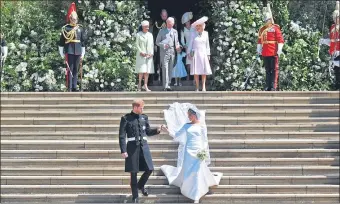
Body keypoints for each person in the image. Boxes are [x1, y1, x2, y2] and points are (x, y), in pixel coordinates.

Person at [161, 103, 223, 203]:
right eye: (188, 115)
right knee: (189, 172)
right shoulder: (186, 126)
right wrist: (167, 130)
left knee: (197, 172)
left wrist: (203, 151)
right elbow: (176, 135)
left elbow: (204, 140)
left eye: (190, 115)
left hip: (198, 151)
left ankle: (196, 195)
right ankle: (189, 190)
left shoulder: (202, 126)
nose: (189, 117)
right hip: (188, 151)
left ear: (195, 115)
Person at [119, 99, 166, 203]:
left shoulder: (144, 117)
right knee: (134, 172)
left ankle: (140, 185)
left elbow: (148, 132)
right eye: (141, 107)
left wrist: (158, 130)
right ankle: (135, 196)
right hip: (132, 148)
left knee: (149, 169)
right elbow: (122, 136)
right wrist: (123, 150)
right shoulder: (125, 118)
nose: (142, 109)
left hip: (144, 147)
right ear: (135, 107)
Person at [58, 2, 86, 92]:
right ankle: (69, 87)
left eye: (76, 19)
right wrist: (61, 53)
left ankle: (74, 86)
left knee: (76, 70)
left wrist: (83, 53)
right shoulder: (66, 29)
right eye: (73, 19)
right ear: (70, 19)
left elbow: (82, 42)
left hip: (78, 51)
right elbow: (62, 42)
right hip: (69, 51)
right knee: (70, 69)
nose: (75, 21)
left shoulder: (80, 29)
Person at [257, 3, 284, 91]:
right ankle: (268, 85)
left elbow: (280, 40)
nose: (266, 21)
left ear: (270, 20)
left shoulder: (276, 28)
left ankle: (273, 86)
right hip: (265, 52)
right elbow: (260, 41)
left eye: (267, 20)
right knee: (268, 70)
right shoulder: (262, 29)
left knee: (274, 70)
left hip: (273, 51)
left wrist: (279, 49)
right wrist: (259, 49)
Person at [319, 1, 340, 90]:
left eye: (336, 18)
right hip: (334, 51)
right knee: (336, 71)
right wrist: (324, 41)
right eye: (334, 17)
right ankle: (337, 85)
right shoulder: (332, 27)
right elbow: (331, 42)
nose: (335, 19)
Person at [188, 16, 212, 92]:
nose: (198, 27)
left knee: (203, 71)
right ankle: (197, 87)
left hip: (203, 54)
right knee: (196, 71)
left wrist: (208, 55)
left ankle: (204, 86)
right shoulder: (193, 34)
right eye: (197, 26)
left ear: (202, 26)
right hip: (195, 54)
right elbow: (190, 44)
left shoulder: (206, 33)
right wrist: (189, 53)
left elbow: (207, 45)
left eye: (199, 26)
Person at [156, 17, 180, 91]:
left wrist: (178, 46)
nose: (170, 24)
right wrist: (163, 45)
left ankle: (169, 84)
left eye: (171, 23)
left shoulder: (175, 31)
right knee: (165, 68)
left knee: (170, 68)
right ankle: (165, 85)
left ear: (173, 23)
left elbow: (176, 41)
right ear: (166, 23)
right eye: (168, 22)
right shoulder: (162, 31)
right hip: (164, 51)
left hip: (172, 51)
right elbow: (157, 42)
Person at [135, 20, 154, 92]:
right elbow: (137, 44)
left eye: (148, 27)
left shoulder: (150, 35)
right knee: (141, 70)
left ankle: (145, 85)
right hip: (141, 55)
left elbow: (152, 45)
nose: (147, 28)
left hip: (149, 55)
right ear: (142, 27)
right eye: (146, 27)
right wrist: (141, 52)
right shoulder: (139, 34)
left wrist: (151, 53)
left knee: (147, 71)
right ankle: (139, 84)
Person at [152, 9, 168, 84]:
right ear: (161, 15)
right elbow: (155, 34)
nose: (164, 17)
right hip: (159, 46)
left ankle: (166, 79)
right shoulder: (157, 23)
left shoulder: (169, 22)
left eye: (165, 15)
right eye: (163, 15)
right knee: (158, 62)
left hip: (167, 46)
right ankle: (157, 77)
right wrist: (155, 44)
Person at [181, 12, 195, 81]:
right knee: (188, 62)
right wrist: (184, 46)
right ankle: (188, 76)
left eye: (188, 21)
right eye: (186, 22)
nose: (188, 23)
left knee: (194, 61)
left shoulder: (194, 27)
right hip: (187, 47)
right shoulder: (183, 30)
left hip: (194, 46)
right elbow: (182, 40)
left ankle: (194, 77)